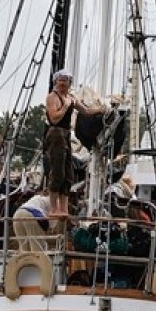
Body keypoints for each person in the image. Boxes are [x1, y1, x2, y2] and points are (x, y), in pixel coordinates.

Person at [45, 69, 100, 218]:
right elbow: (54, 118)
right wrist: (65, 106)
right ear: (56, 82)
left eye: (65, 80)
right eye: (60, 80)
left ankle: (63, 208)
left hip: (66, 134)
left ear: (70, 83)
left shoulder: (71, 97)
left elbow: (86, 111)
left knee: (68, 173)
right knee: (57, 171)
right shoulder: (53, 97)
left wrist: (101, 109)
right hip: (56, 132)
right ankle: (53, 208)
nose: (62, 83)